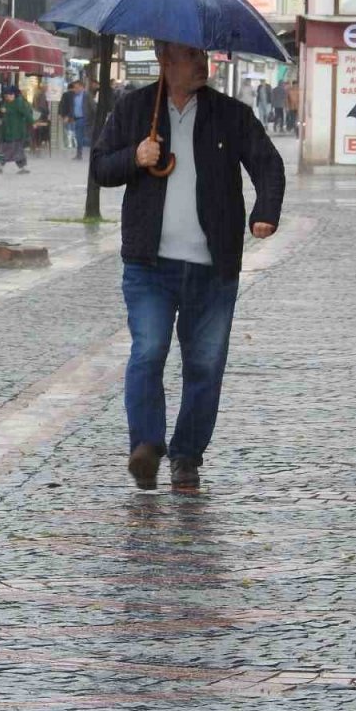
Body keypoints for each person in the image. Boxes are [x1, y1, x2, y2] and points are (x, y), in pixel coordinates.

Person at [90, 40, 284, 490]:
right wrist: (134, 157)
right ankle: (146, 446)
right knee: (148, 351)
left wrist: (265, 212)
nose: (202, 64)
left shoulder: (229, 115)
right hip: (149, 265)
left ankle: (186, 456)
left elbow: (268, 165)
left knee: (204, 365)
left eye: (203, 56)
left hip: (212, 268)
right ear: (164, 60)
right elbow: (101, 167)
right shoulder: (135, 108)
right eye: (191, 56)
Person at [0, 84, 33, 173]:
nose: (6, 97)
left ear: (13, 95)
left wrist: (32, 122)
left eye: (7, 96)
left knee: (10, 149)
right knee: (15, 150)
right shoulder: (7, 102)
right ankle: (23, 168)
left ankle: (1, 165)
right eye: (5, 96)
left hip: (16, 131)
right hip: (7, 131)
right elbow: (5, 112)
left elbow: (26, 113)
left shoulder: (19, 102)